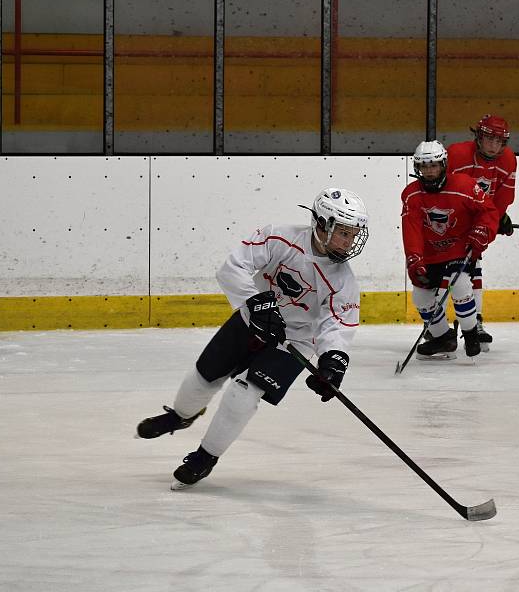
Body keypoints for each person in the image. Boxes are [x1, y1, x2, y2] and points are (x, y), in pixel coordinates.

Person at [136, 188, 369, 490]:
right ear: (322, 225)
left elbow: (338, 324)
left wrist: (332, 362)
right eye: (343, 233)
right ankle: (180, 417)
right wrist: (255, 301)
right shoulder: (278, 237)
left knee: (242, 394)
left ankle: (205, 458)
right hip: (250, 320)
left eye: (353, 235)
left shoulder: (343, 280)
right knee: (202, 379)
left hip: (295, 341)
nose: (349, 242)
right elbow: (232, 268)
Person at [401, 140, 500, 359]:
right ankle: (443, 338)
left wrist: (482, 231)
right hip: (430, 253)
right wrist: (415, 258)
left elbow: (488, 211)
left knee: (460, 283)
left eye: (433, 165)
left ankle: (471, 332)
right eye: (423, 166)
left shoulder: (464, 185)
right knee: (420, 297)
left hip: (459, 247)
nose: (429, 171)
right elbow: (412, 229)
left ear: (444, 164)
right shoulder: (411, 194)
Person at [446, 114, 517, 349]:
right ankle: (438, 329)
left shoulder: (508, 160)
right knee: (442, 273)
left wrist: (496, 219)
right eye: (490, 139)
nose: (495, 145)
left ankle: (474, 321)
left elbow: (503, 197)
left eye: (500, 141)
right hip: (449, 219)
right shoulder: (457, 154)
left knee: (472, 267)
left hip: (479, 220)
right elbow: (441, 189)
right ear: (478, 136)